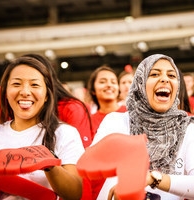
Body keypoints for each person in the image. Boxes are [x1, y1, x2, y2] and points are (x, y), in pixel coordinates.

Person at [91, 54, 194, 200]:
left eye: (171, 75)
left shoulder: (188, 129)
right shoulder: (117, 121)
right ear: (140, 82)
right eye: (154, 74)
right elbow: (94, 162)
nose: (164, 79)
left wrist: (153, 179)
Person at [0, 56, 85, 199]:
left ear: (47, 94)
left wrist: (49, 163)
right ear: (5, 91)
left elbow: (74, 194)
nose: (25, 91)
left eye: (34, 85)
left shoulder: (65, 133)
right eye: (17, 84)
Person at [22, 53, 93, 149]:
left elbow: (81, 152)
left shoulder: (71, 108)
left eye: (34, 83)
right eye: (17, 83)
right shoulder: (19, 111)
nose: (25, 91)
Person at [87, 65, 126, 139]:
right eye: (102, 82)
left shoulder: (130, 113)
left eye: (113, 82)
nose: (109, 85)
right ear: (93, 90)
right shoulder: (89, 122)